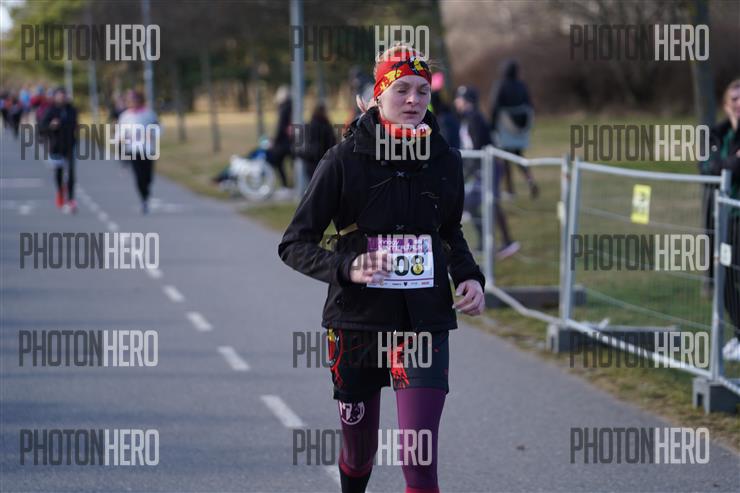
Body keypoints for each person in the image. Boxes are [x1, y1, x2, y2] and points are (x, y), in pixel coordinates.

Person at [279, 45, 486, 493]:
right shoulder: (343, 160)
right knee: (359, 453)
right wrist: (348, 266)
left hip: (423, 323)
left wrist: (469, 276)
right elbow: (294, 244)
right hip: (357, 323)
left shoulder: (444, 159)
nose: (413, 100)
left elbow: (449, 230)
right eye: (401, 90)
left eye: (422, 91)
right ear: (377, 96)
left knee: (419, 459)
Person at [700, 79, 740, 361]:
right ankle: (739, 334)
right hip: (720, 218)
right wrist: (732, 163)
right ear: (726, 105)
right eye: (734, 99)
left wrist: (724, 168)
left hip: (738, 216)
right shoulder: (717, 134)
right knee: (723, 277)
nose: (739, 104)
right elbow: (707, 169)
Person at [455, 85, 520, 258]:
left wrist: (466, 172)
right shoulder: (467, 118)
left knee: (492, 203)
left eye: (459, 98)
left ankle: (508, 242)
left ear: (467, 101)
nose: (456, 101)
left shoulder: (475, 118)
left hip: (488, 168)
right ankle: (484, 242)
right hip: (479, 169)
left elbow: (477, 148)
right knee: (469, 203)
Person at [489, 59, 538, 199]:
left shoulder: (501, 85)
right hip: (520, 128)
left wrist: (492, 126)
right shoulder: (521, 85)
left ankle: (510, 190)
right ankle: (530, 180)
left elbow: (494, 106)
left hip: (504, 126)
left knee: (505, 157)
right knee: (518, 155)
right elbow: (529, 105)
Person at [118, 90, 160, 214]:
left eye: (135, 100)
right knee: (139, 176)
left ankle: (146, 193)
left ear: (140, 100)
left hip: (147, 149)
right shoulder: (125, 116)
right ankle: (144, 200)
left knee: (148, 176)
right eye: (131, 100)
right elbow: (120, 133)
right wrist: (123, 138)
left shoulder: (149, 113)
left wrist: (152, 133)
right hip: (133, 149)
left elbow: (158, 127)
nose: (133, 102)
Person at [38, 87, 78, 213]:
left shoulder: (71, 110)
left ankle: (71, 200)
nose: (62, 98)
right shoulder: (51, 110)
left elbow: (75, 124)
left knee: (71, 172)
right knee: (59, 173)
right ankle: (60, 193)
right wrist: (51, 126)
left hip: (70, 145)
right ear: (55, 97)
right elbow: (41, 127)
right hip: (56, 147)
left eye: (63, 95)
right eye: (59, 95)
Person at [294, 103, 336, 180]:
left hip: (311, 164)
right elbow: (333, 145)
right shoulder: (327, 127)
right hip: (324, 164)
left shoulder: (310, 125)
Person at [266, 85, 292, 189]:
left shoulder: (284, 108)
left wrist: (275, 140)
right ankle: (289, 185)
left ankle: (285, 186)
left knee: (277, 160)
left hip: (285, 142)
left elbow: (281, 127)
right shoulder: (291, 107)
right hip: (291, 140)